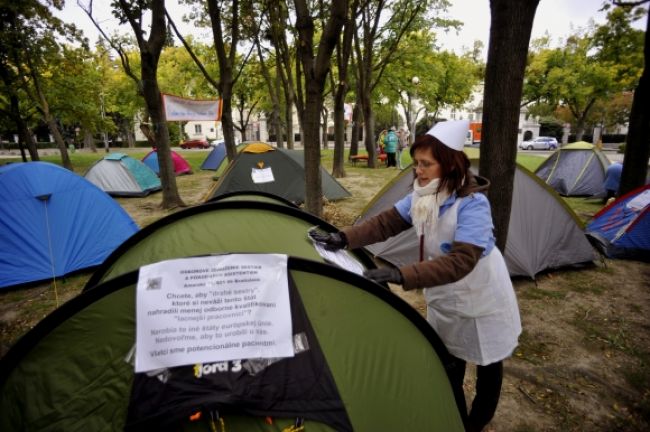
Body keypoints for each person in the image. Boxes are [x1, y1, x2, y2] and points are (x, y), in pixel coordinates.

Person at [309, 119, 522, 432]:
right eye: (416, 163)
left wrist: (400, 274)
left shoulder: (473, 205)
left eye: (426, 164)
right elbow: (385, 223)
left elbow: (462, 261)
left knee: (487, 361)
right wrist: (343, 238)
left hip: (479, 294)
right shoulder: (423, 195)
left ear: (449, 165)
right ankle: (452, 413)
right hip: (445, 293)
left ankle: (477, 421)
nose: (418, 171)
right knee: (449, 357)